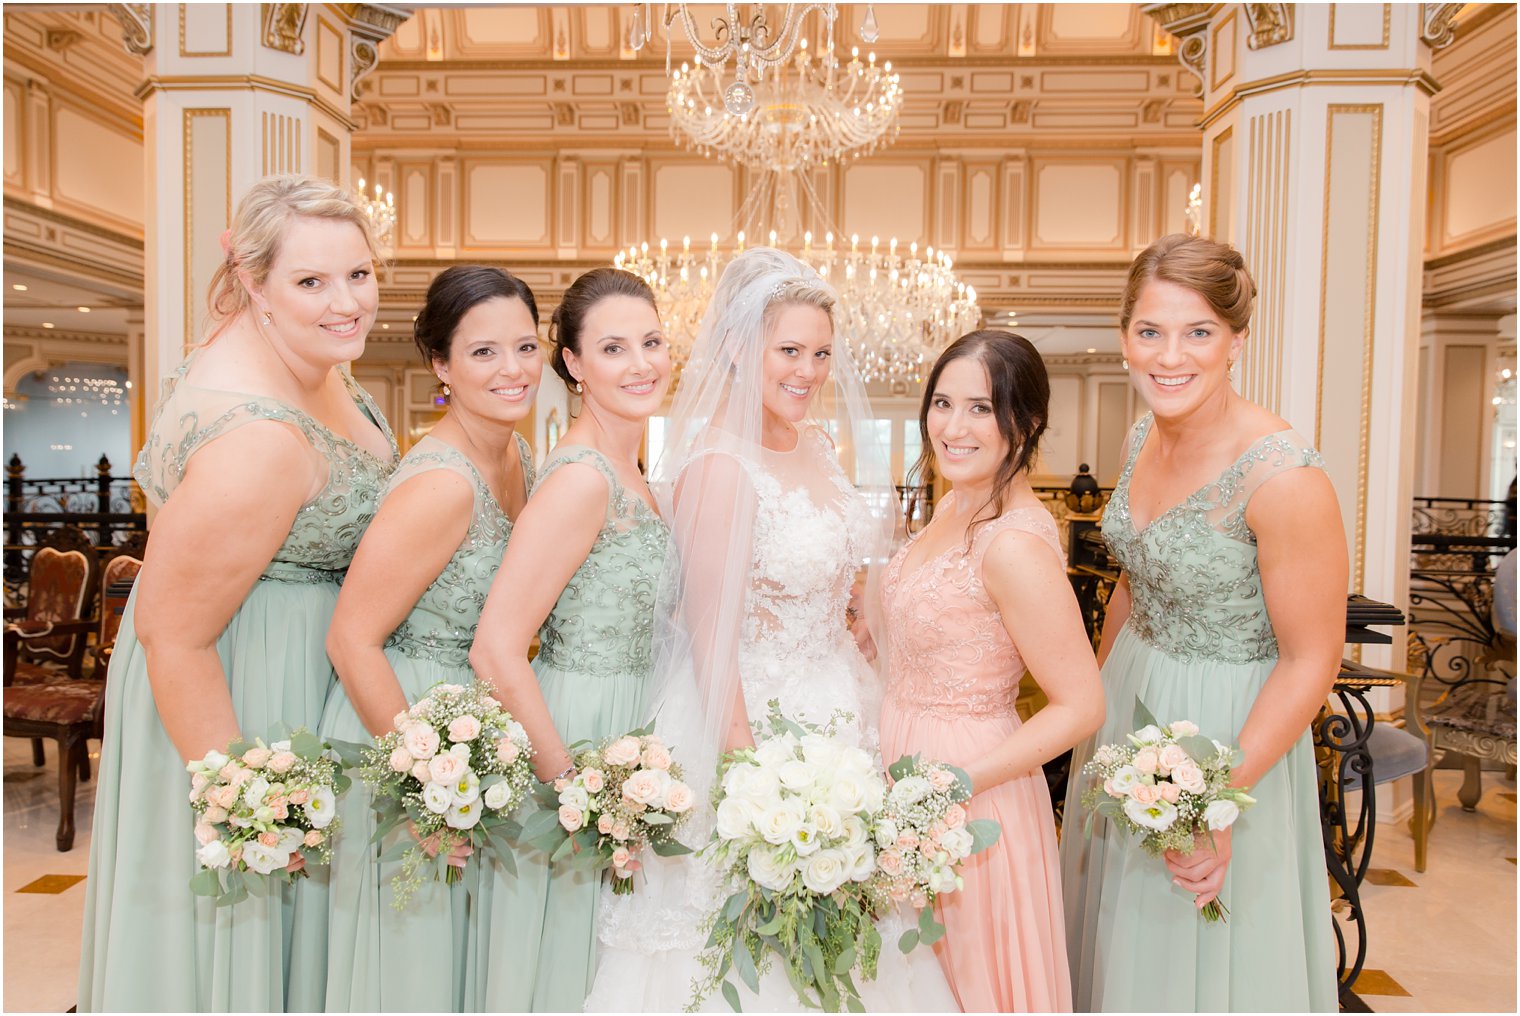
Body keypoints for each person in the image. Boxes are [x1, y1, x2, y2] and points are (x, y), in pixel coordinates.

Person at [583, 247, 957, 1013]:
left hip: (835, 710)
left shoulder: (816, 446)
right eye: (789, 350)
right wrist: (753, 786)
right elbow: (710, 642)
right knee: (747, 935)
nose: (809, 371)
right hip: (745, 725)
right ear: (736, 347)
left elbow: (833, 588)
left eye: (821, 353)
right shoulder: (718, 468)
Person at [77, 175, 396, 1012]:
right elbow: (171, 634)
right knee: (245, 948)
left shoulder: (312, 359)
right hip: (238, 689)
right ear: (254, 284)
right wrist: (250, 803)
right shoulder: (257, 437)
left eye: (358, 274)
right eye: (311, 282)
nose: (346, 303)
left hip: (292, 666)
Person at [1060, 233, 1346, 1011]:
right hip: (1127, 697)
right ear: (1124, 338)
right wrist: (1092, 693)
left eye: (1198, 332)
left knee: (1193, 938)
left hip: (1228, 728)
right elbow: (1134, 578)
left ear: (1236, 341)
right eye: (1150, 331)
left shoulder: (1284, 477)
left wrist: (1216, 795)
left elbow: (1313, 660)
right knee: (1116, 924)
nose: (1168, 356)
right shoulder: (1140, 435)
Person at [313, 266, 542, 1011]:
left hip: (474, 730)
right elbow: (351, 640)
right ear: (441, 364)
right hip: (404, 727)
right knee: (410, 974)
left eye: (525, 346)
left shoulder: (518, 458)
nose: (512, 370)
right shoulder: (441, 483)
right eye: (483, 353)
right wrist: (426, 787)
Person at [466, 268, 673, 1011]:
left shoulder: (637, 471)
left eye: (651, 341)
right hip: (579, 736)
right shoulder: (583, 478)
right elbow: (495, 646)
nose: (642, 362)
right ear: (575, 365)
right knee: (573, 963)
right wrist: (574, 790)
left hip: (634, 731)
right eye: (614, 348)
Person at [880, 329, 1105, 1012]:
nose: (953, 427)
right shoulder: (953, 504)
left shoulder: (1013, 544)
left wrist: (956, 784)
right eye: (942, 403)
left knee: (966, 981)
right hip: (905, 757)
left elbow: (1081, 704)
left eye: (981, 408)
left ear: (1026, 422)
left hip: (973, 789)